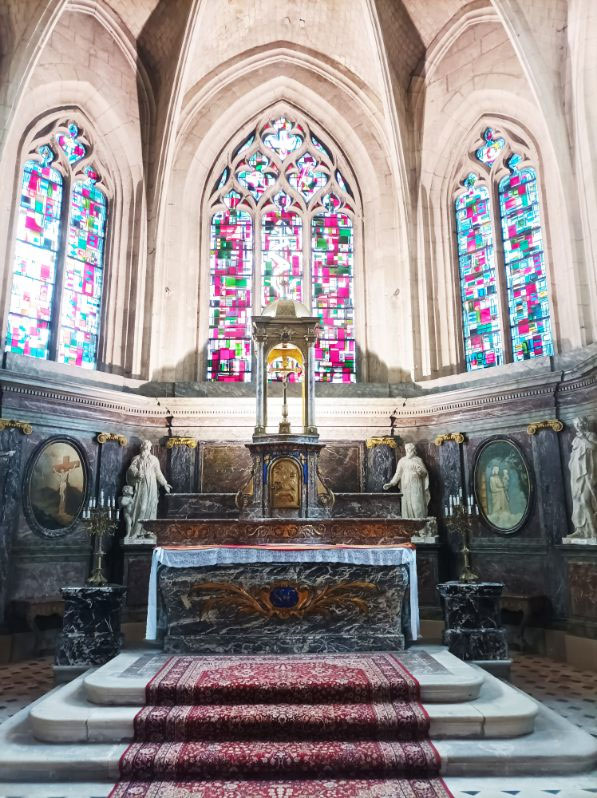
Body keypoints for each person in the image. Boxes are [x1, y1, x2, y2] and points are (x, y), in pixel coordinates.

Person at [125, 440, 171, 540]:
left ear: (150, 448)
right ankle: (137, 531)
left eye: (148, 447)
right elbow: (130, 469)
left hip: (152, 486)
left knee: (152, 506)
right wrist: (137, 473)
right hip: (141, 486)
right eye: (145, 446)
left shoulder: (154, 459)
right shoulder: (136, 458)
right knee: (142, 507)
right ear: (141, 447)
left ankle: (149, 531)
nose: (146, 448)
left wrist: (164, 484)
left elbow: (158, 473)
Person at [383, 442, 430, 518]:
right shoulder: (402, 461)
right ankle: (408, 525)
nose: (408, 451)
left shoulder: (418, 460)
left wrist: (420, 471)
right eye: (407, 449)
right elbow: (398, 474)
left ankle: (421, 524)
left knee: (417, 504)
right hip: (405, 485)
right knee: (406, 505)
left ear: (413, 450)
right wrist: (391, 483)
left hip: (416, 484)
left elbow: (424, 474)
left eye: (410, 449)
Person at [568, 416, 597, 540]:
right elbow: (574, 457)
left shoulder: (591, 435)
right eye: (576, 424)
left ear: (584, 424)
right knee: (578, 502)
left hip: (587, 474)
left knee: (586, 501)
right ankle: (580, 529)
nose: (578, 426)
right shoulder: (575, 440)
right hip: (576, 474)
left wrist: (584, 438)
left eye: (580, 423)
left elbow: (593, 447)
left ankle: (593, 531)